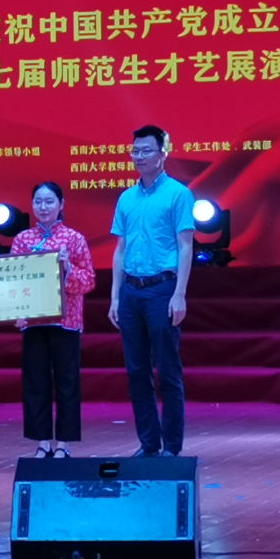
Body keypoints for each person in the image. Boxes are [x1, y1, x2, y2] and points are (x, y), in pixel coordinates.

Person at [109, 126, 194, 458]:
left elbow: (185, 246)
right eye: (135, 151)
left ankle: (172, 447)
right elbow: (120, 249)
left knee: (168, 371)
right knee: (136, 372)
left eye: (146, 150)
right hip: (131, 291)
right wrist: (115, 296)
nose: (139, 156)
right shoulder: (126, 198)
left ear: (162, 154)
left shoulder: (178, 194)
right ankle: (148, 444)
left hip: (162, 289)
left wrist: (180, 293)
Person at [10, 182, 95, 459]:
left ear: (61, 204)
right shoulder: (22, 240)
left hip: (66, 322)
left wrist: (68, 267)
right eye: (38, 201)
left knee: (67, 382)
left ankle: (64, 444)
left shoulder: (74, 239)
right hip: (34, 323)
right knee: (35, 382)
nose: (43, 207)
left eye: (49, 201)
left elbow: (88, 281)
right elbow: (13, 281)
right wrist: (15, 310)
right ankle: (43, 442)